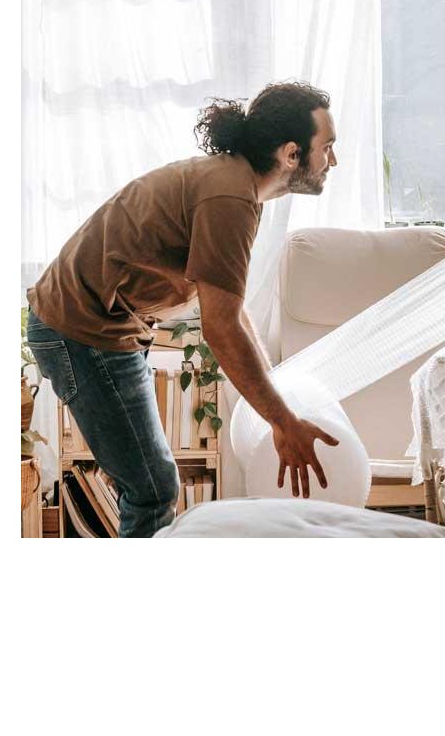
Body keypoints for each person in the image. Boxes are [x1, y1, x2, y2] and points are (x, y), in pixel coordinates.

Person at [25, 80, 341, 537]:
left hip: (104, 328)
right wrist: (283, 422)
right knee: (152, 489)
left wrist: (275, 389)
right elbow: (221, 327)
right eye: (327, 147)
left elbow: (230, 306)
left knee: (149, 482)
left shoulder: (237, 187)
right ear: (292, 154)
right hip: (82, 330)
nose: (333, 160)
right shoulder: (229, 197)